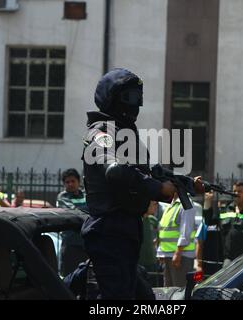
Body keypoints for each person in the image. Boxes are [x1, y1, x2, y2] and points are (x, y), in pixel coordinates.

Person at [80, 68, 178, 299]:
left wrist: (183, 184)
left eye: (138, 97)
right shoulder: (101, 133)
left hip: (125, 230)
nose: (136, 104)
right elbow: (115, 171)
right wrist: (158, 188)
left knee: (144, 298)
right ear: (112, 99)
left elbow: (149, 171)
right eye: (130, 97)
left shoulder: (124, 135)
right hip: (109, 232)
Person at [157, 193, 196, 287]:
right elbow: (163, 229)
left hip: (180, 257)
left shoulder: (185, 203)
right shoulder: (172, 204)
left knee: (179, 292)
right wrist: (161, 252)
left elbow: (186, 231)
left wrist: (178, 253)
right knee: (169, 291)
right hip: (169, 255)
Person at [55, 168, 89, 276]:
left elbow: (96, 208)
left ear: (79, 182)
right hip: (71, 245)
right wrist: (88, 211)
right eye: (67, 182)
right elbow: (73, 212)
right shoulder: (62, 197)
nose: (70, 184)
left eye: (73, 181)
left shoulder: (86, 194)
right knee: (70, 278)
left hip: (87, 244)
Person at [195, 192, 225, 275]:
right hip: (208, 265)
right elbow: (199, 243)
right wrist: (199, 265)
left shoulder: (226, 222)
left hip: (224, 264)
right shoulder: (206, 223)